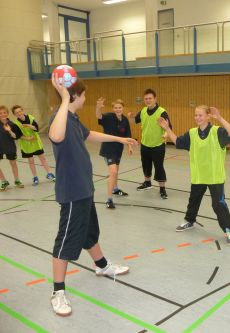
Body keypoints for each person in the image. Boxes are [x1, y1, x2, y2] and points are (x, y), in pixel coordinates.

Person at [49, 73, 138, 316]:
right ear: (74, 95)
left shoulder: (74, 119)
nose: (86, 98)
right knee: (66, 240)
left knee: (89, 231)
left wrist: (119, 138)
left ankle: (102, 266)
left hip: (85, 188)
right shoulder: (61, 117)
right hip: (72, 191)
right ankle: (58, 291)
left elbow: (89, 135)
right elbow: (55, 136)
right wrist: (64, 98)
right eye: (84, 94)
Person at [158, 105, 230, 245]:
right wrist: (167, 129)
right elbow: (177, 142)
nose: (197, 118)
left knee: (218, 205)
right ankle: (189, 221)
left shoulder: (217, 132)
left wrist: (219, 117)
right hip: (199, 175)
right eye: (195, 115)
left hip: (214, 176)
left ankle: (229, 229)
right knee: (193, 200)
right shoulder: (192, 133)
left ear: (207, 116)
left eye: (200, 115)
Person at [128, 89, 171, 199]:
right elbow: (134, 121)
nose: (148, 100)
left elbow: (168, 127)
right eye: (146, 99)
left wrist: (166, 134)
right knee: (145, 165)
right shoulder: (143, 111)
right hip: (145, 145)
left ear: (155, 99)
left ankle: (162, 189)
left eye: (150, 98)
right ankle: (147, 183)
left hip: (158, 146)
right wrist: (131, 117)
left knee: (159, 167)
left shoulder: (162, 112)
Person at [96, 97, 133, 209]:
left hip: (118, 150)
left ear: (123, 108)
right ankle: (109, 199)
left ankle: (116, 189)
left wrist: (129, 146)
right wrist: (98, 107)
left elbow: (128, 136)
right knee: (113, 171)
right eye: (116, 108)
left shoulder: (125, 120)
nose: (118, 109)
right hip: (108, 149)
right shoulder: (108, 117)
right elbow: (99, 116)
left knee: (116, 171)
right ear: (113, 108)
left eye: (120, 107)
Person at [12, 105, 56, 186]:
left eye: (20, 111)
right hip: (26, 145)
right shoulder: (16, 124)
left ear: (22, 110)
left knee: (42, 158)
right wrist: (27, 139)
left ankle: (49, 174)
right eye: (16, 112)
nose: (19, 113)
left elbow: (36, 128)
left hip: (36, 142)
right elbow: (18, 136)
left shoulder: (31, 118)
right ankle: (35, 177)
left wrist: (28, 125)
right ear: (14, 115)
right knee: (31, 161)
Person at [0, 105, 25, 190]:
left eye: (4, 113)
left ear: (7, 113)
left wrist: (9, 130)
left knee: (13, 163)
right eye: (0, 113)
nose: (3, 114)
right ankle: (4, 181)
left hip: (10, 147)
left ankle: (17, 180)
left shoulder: (12, 124)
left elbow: (15, 137)